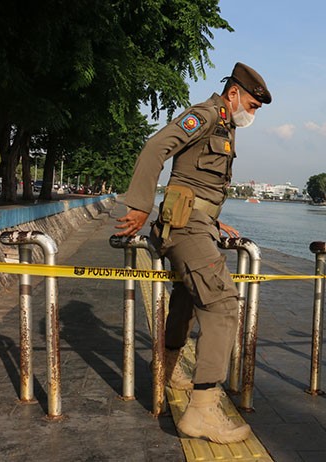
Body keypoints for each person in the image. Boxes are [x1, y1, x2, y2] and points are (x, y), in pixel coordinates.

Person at [114, 62, 271, 444]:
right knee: (222, 303)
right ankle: (202, 410)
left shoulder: (225, 126)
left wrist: (214, 223)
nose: (251, 113)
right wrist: (139, 204)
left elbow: (198, 183)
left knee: (187, 296)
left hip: (195, 224)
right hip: (184, 227)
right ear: (233, 93)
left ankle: (167, 367)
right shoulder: (204, 115)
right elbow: (156, 147)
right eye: (251, 104)